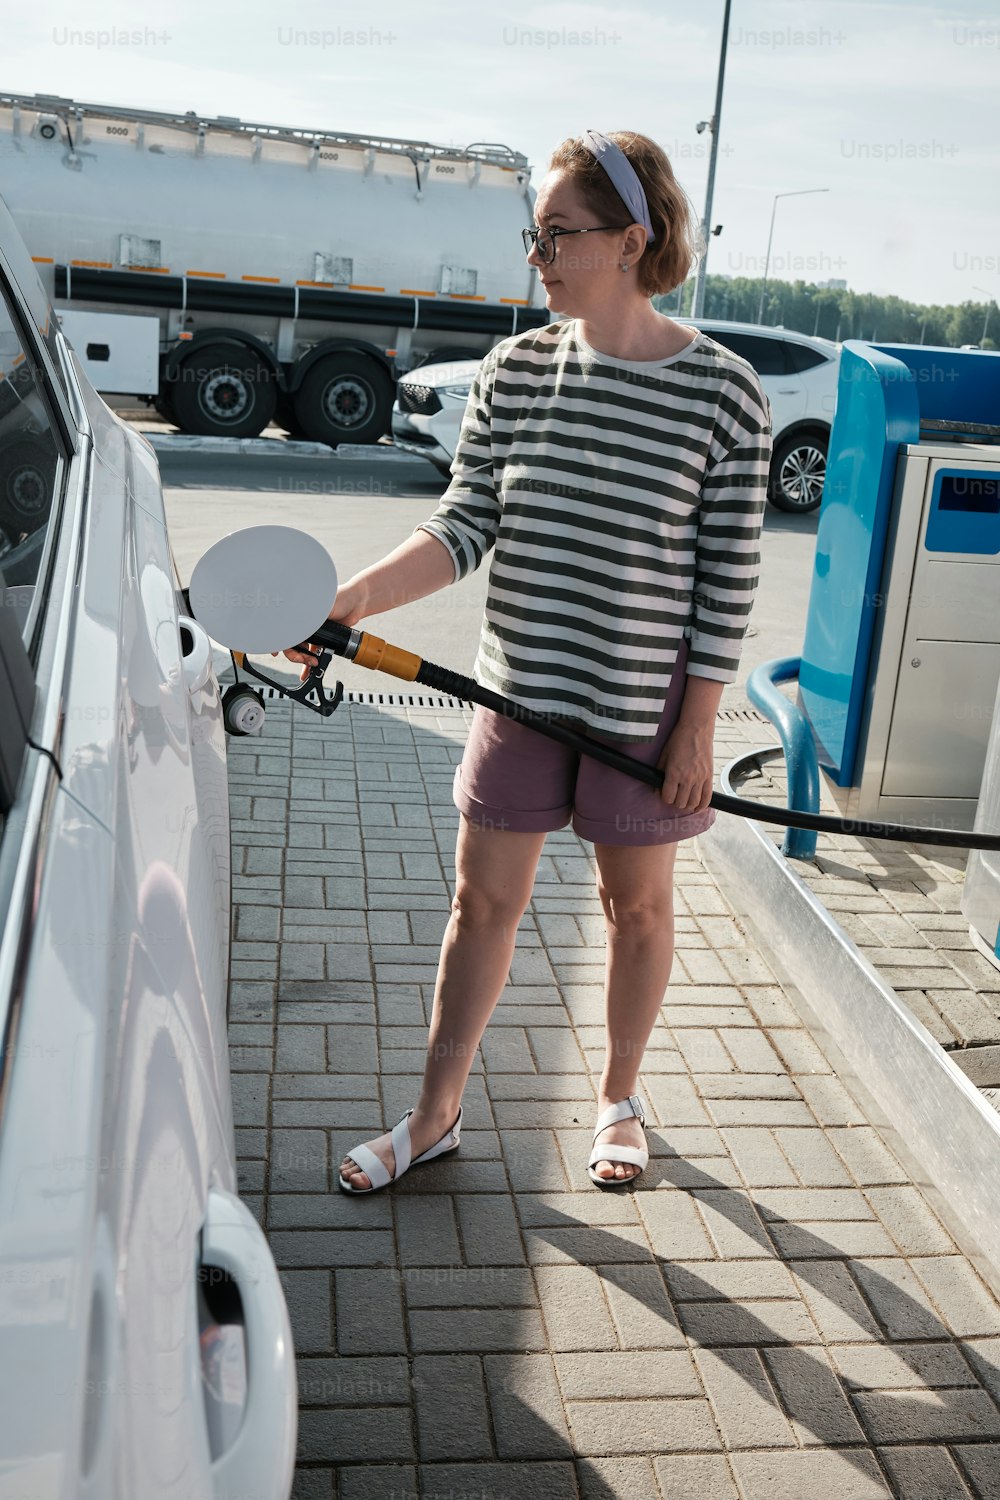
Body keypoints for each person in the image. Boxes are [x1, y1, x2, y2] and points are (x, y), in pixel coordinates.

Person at [283, 128, 771, 1192]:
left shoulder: (724, 394)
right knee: (480, 908)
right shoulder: (512, 370)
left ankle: (618, 1098)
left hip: (642, 711)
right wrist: (345, 601)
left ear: (631, 240)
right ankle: (435, 1114)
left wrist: (696, 727)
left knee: (634, 910)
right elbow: (462, 525)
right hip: (517, 695)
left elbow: (727, 582)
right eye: (534, 234)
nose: (536, 255)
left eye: (559, 234)